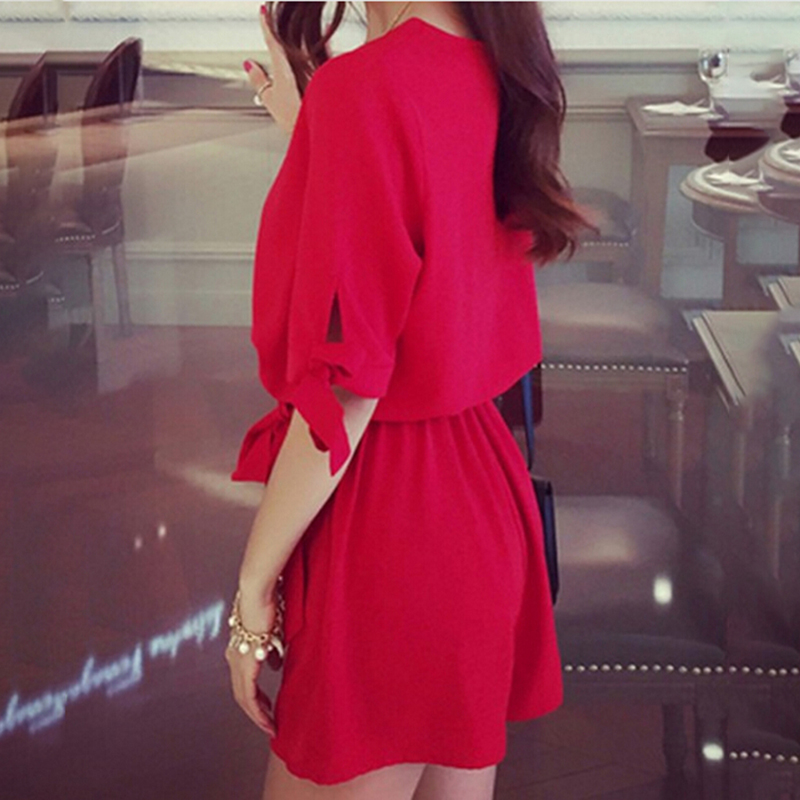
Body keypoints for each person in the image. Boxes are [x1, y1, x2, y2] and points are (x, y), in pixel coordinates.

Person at [227, 2, 594, 798]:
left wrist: (253, 594)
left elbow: (348, 393)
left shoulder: (364, 90)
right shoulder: (500, 64)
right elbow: (431, 224)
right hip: (479, 499)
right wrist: (315, 129)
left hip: (387, 529)